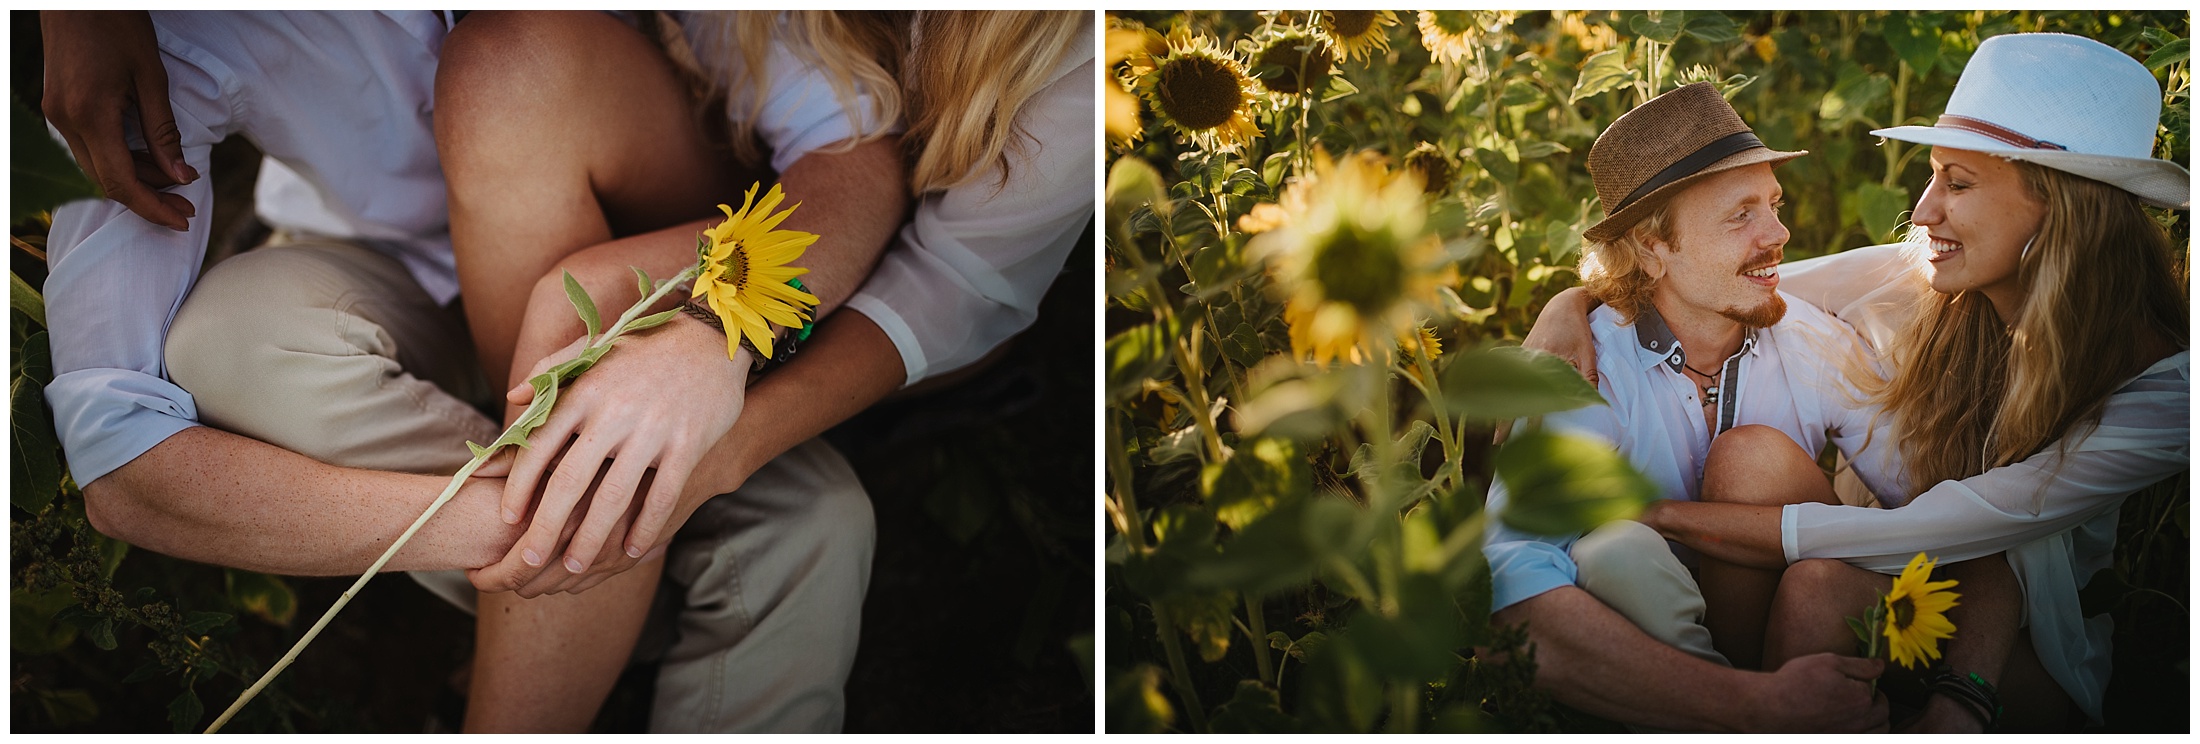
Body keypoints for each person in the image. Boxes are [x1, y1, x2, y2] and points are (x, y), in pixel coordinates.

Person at [428, 10, 1094, 731]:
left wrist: (722, 434)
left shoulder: (1088, 50)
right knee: (571, 281)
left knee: (603, 333)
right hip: (781, 198)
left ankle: (554, 646)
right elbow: (821, 143)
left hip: (893, 323)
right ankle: (574, 613)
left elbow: (953, 290)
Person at [1525, 33, 2187, 731]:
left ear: (2063, 208)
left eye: (1957, 183)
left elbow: (1959, 529)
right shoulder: (1925, 275)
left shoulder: (2169, 396)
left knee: (1818, 585)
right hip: (1872, 577)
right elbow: (1707, 286)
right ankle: (1755, 708)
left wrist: (1658, 515)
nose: (1924, 209)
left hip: (2007, 640)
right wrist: (1570, 307)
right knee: (1778, 515)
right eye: (1933, 175)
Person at [1479, 81, 1892, 732]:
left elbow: (1936, 513)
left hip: (1797, 620)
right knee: (1615, 554)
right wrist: (1754, 705)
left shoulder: (1812, 343)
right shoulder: (1582, 371)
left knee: (1751, 463)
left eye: (1774, 205)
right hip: (1670, 656)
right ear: (1652, 246)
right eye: (1741, 214)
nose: (1779, 233)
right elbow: (1511, 586)